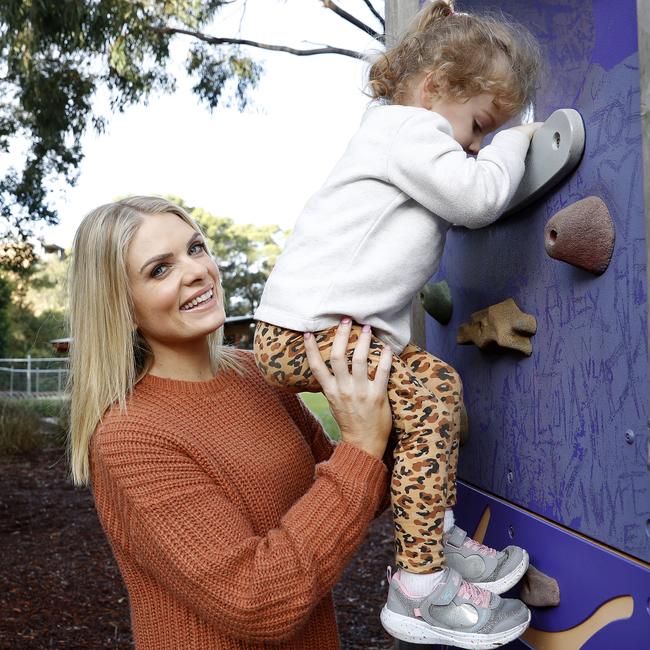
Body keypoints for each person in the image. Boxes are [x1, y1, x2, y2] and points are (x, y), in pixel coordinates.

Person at [253, 1, 542, 646]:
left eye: (484, 136)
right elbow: (478, 199)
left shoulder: (396, 130)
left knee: (417, 412)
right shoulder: (408, 130)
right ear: (434, 85)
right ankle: (417, 589)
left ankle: (431, 534)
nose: (474, 145)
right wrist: (518, 140)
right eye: (476, 127)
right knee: (435, 389)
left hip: (306, 329)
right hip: (310, 328)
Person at [67, 196, 397, 649]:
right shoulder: (130, 438)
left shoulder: (256, 373)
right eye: (160, 269)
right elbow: (257, 603)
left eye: (196, 248)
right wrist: (360, 447)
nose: (197, 270)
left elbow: (358, 493)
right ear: (119, 306)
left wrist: (408, 414)